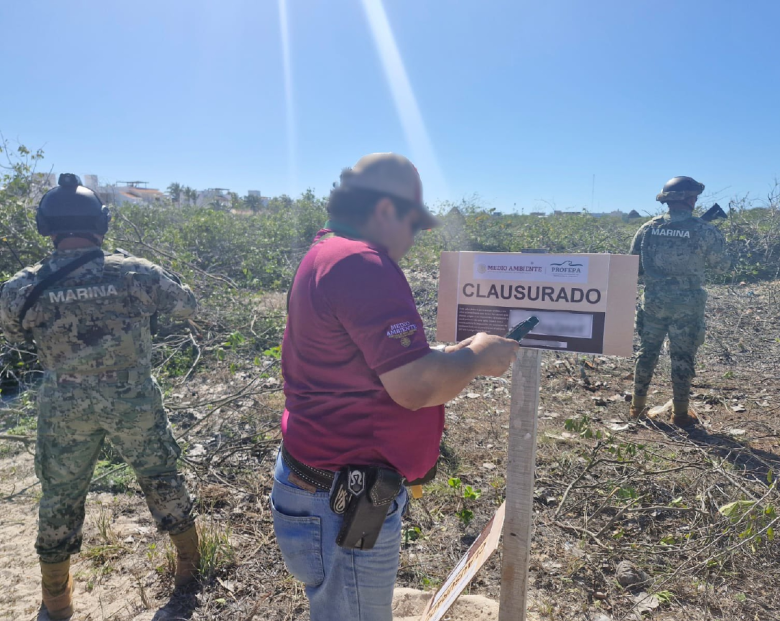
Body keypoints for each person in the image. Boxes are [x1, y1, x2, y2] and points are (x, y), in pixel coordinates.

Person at [271, 153, 519, 621]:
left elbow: (367, 365)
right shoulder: (360, 263)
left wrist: (449, 356)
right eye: (412, 223)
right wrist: (477, 359)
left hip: (322, 487)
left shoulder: (326, 251)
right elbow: (413, 388)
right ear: (386, 209)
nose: (411, 240)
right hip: (340, 502)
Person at [0, 174, 200, 619]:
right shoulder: (135, 272)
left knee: (60, 495)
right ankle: (190, 568)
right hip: (132, 397)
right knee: (161, 476)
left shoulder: (22, 286)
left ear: (44, 226)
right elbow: (187, 304)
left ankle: (57, 598)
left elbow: (14, 331)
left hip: (64, 403)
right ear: (101, 224)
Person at [629, 176, 731, 426]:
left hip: (653, 301)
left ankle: (637, 408)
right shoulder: (704, 230)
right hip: (688, 304)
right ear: (690, 199)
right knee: (682, 356)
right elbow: (723, 266)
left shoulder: (648, 228)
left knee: (646, 353)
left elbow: (634, 268)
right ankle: (681, 414)